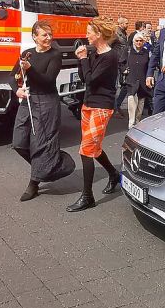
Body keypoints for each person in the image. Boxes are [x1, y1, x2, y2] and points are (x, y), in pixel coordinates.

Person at [12, 21, 75, 202]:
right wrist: (17, 90)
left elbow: (47, 80)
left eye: (50, 34)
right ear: (34, 37)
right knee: (18, 142)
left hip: (47, 101)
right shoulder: (27, 54)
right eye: (44, 35)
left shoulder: (55, 55)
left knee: (41, 144)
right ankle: (50, 166)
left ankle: (34, 184)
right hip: (29, 101)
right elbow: (12, 76)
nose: (48, 38)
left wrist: (30, 70)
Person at [68, 17, 121, 212]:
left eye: (89, 31)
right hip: (88, 104)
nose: (86, 35)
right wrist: (81, 58)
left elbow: (90, 79)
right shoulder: (94, 53)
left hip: (101, 106)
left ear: (98, 34)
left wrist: (83, 59)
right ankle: (114, 174)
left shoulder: (110, 56)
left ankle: (87, 196)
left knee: (86, 149)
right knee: (94, 148)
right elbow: (84, 78)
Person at [121, 31, 152, 127]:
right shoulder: (128, 50)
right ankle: (131, 123)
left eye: (141, 41)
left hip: (142, 82)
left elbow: (149, 65)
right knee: (131, 102)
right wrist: (124, 70)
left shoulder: (146, 52)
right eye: (137, 41)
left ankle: (137, 122)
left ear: (143, 42)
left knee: (140, 104)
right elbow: (121, 62)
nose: (139, 43)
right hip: (132, 80)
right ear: (134, 41)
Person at [112, 16, 130, 115]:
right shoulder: (115, 34)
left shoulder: (124, 34)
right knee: (115, 86)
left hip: (122, 62)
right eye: (126, 23)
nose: (127, 25)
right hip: (116, 63)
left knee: (125, 85)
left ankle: (117, 105)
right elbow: (109, 47)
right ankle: (114, 108)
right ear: (121, 24)